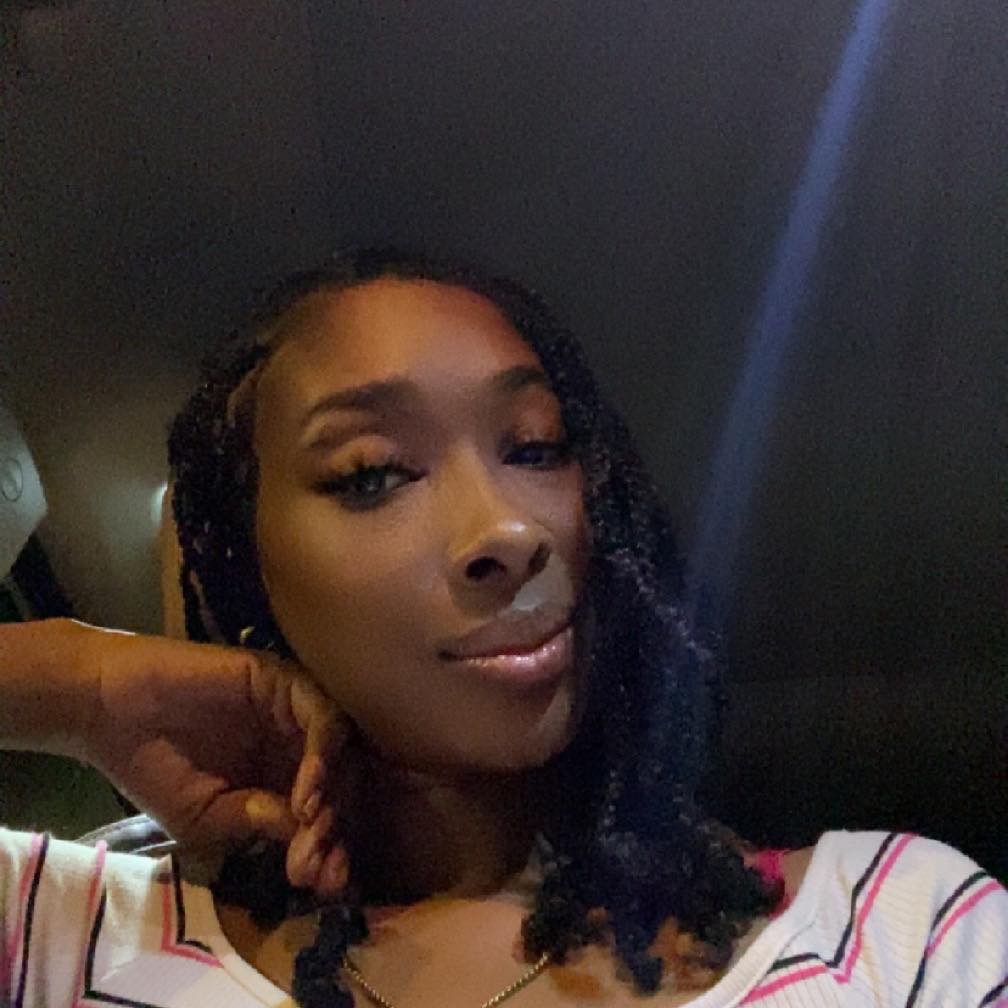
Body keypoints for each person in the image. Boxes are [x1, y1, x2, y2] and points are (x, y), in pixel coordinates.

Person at [1, 248, 1005, 1007]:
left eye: (534, 448)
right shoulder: (72, 935)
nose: (509, 530)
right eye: (372, 474)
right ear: (252, 568)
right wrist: (86, 689)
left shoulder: (903, 931)